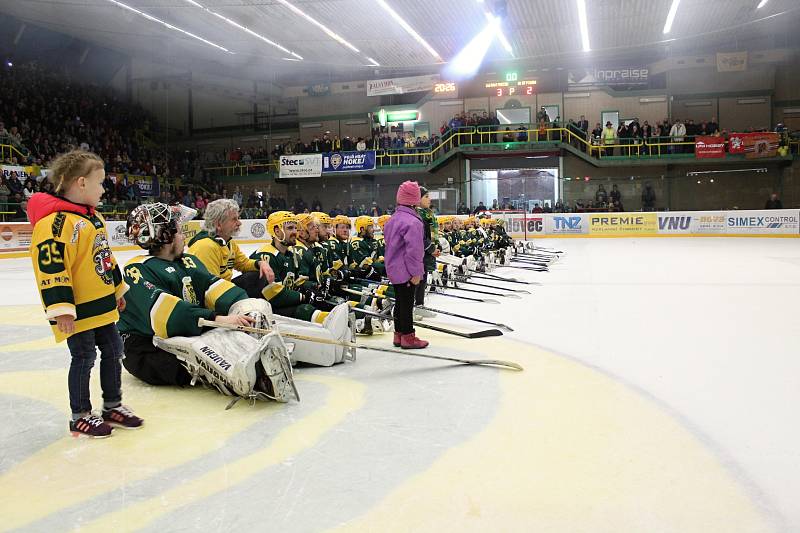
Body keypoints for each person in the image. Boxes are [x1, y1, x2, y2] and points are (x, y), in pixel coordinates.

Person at [28, 149, 141, 438]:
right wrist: (61, 309)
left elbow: (106, 258)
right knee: (83, 358)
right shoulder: (54, 224)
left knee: (114, 351)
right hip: (77, 310)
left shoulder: (94, 219)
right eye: (100, 183)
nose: (104, 189)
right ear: (81, 183)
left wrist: (117, 290)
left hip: (102, 306)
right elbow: (51, 267)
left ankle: (112, 404)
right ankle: (80, 414)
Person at [383, 181, 428, 349]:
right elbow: (414, 251)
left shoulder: (392, 220)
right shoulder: (413, 222)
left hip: (394, 269)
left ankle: (399, 334)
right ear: (414, 199)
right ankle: (408, 336)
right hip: (407, 270)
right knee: (407, 304)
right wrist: (416, 273)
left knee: (400, 302)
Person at [188, 199, 274, 283]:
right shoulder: (205, 247)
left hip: (223, 288)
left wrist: (260, 263)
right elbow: (210, 286)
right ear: (218, 224)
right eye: (234, 219)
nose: (239, 223)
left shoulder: (228, 241)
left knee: (258, 275)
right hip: (215, 292)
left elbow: (243, 263)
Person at [415, 187, 439, 312]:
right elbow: (421, 237)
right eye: (426, 196)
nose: (429, 199)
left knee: (423, 279)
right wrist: (431, 249)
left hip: (427, 252)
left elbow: (432, 233)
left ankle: (419, 304)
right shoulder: (418, 214)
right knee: (418, 280)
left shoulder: (427, 213)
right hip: (420, 253)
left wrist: (435, 246)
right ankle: (416, 305)